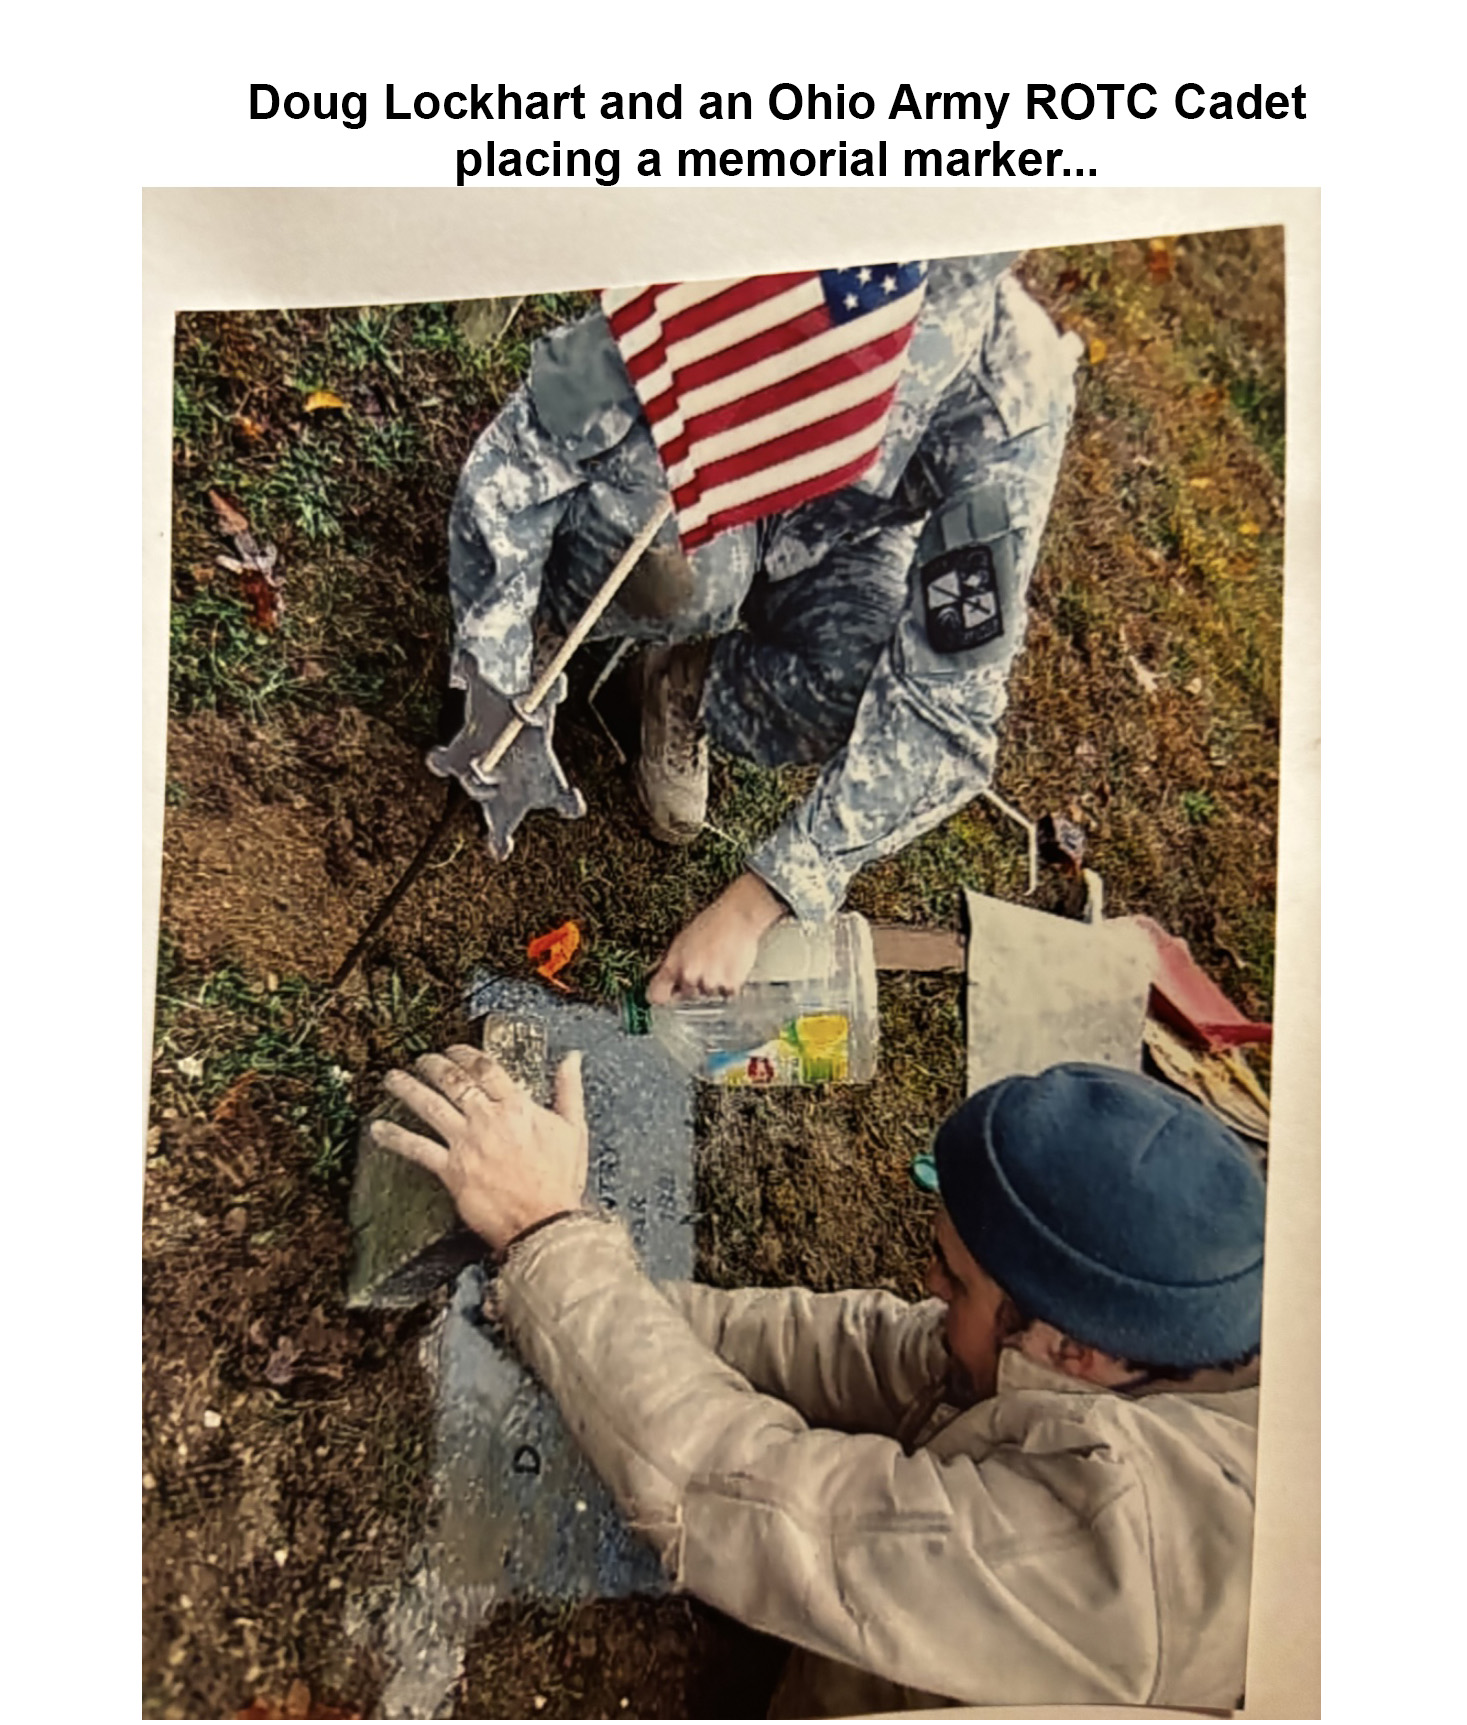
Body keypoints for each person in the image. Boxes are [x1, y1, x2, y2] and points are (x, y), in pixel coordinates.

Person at [370, 1049, 1265, 1716]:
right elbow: (880, 1352)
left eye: (955, 1281)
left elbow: (756, 1509)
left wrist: (545, 1238)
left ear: (1072, 1351)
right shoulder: (1171, 1331)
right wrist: (593, 1294)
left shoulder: (1118, 1540)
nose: (925, 1285)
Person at [444, 254, 1082, 1003]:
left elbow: (949, 704)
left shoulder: (1012, 396)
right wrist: (495, 649)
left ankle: (682, 686)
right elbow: (550, 422)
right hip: (693, 472)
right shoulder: (783, 244)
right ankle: (554, 625)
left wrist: (757, 903)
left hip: (833, 542)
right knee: (674, 574)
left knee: (862, 675)